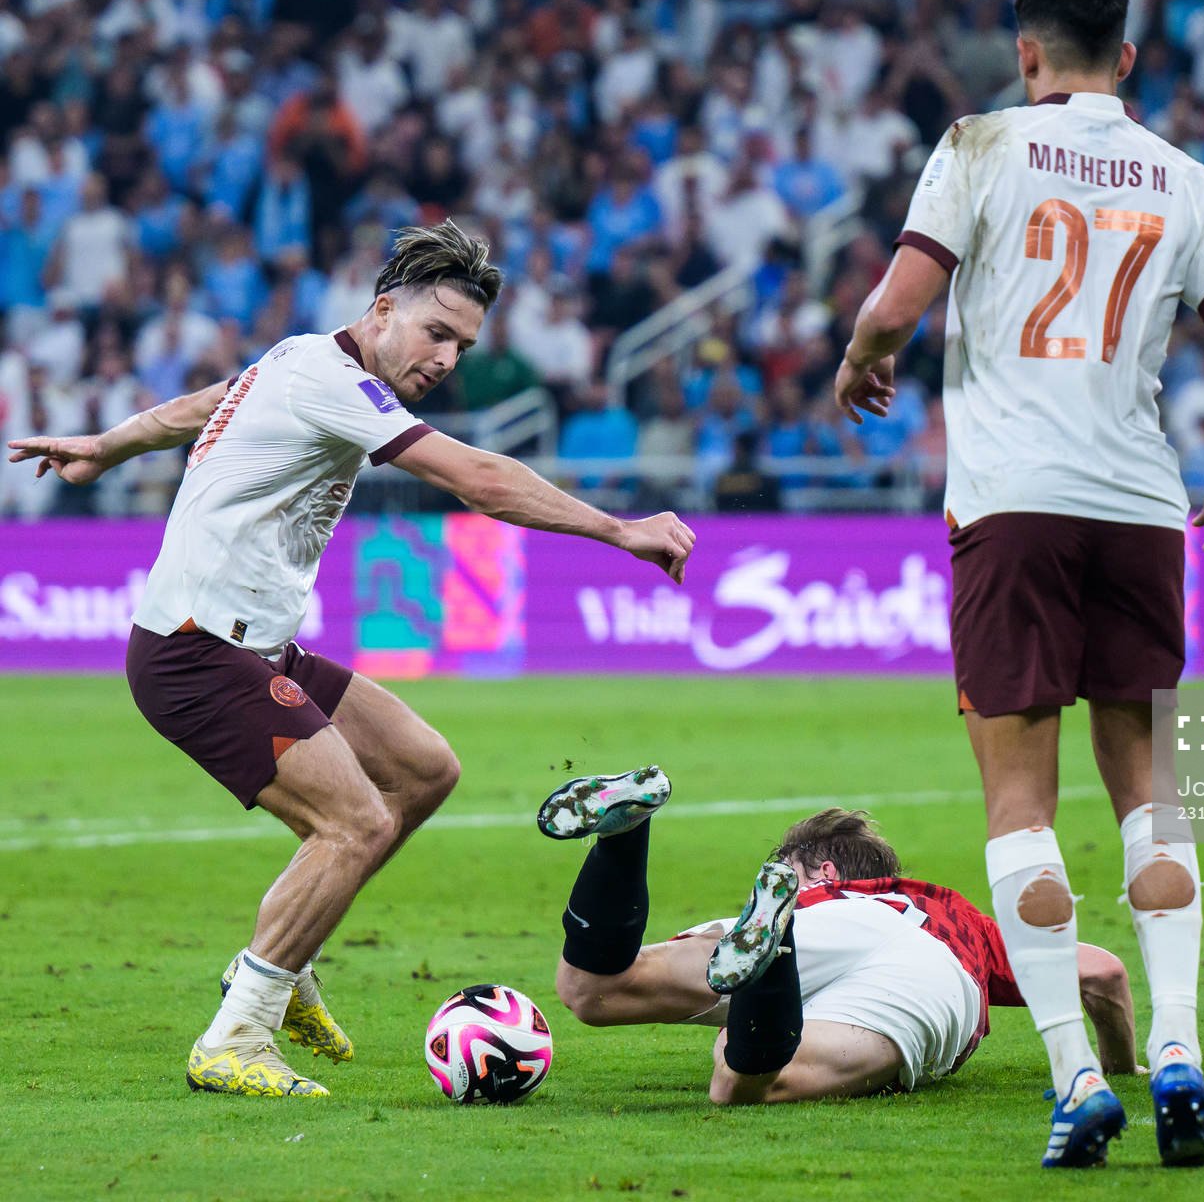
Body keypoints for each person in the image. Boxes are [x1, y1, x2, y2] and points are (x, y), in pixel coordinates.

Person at [5, 221, 696, 1099]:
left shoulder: (299, 359)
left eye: (464, 344)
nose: (447, 358)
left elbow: (207, 401)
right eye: (436, 332)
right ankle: (238, 1032)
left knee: (423, 769)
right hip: (195, 653)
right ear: (381, 312)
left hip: (254, 645)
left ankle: (278, 967)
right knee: (356, 824)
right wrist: (617, 528)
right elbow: (475, 478)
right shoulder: (330, 380)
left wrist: (109, 444)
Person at [829, 0, 1204, 1168]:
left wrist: (863, 358)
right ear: (1126, 60)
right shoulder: (1193, 182)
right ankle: (1179, 1048)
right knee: (1150, 790)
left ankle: (1080, 1080)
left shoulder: (980, 143)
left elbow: (898, 299)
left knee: (1019, 803)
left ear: (1027, 55)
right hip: (1139, 507)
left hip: (1013, 507)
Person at [534, 771, 1137, 1102]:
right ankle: (776, 958)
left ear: (822, 874)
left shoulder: (827, 898)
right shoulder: (963, 919)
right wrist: (1120, 1065)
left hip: (821, 922)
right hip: (937, 972)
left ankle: (626, 833)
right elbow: (1102, 972)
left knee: (593, 989)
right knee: (736, 1077)